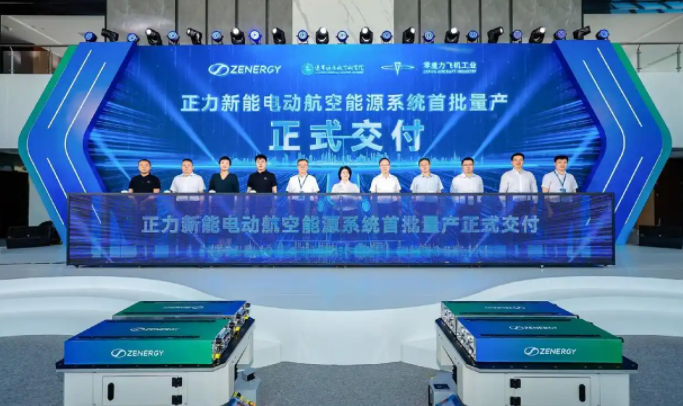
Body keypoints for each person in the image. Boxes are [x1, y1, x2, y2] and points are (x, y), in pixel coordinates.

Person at [498, 153, 538, 258]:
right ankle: (510, 255)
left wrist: (535, 204)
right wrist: (505, 206)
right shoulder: (506, 175)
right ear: (512, 162)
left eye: (520, 159)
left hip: (526, 205)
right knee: (510, 229)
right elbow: (502, 192)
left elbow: (534, 190)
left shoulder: (529, 175)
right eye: (515, 160)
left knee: (524, 229)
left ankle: (523, 255)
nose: (518, 162)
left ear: (523, 161)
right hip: (511, 205)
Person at [541, 155, 579, 258]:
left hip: (567, 206)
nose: (562, 164)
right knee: (552, 232)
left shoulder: (570, 177)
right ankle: (551, 255)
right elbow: (545, 195)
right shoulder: (548, 176)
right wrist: (549, 209)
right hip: (553, 206)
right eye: (559, 162)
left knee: (564, 232)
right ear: (555, 164)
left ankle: (563, 255)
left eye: (564, 162)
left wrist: (574, 207)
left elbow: (574, 193)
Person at [169, 158, 206, 256]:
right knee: (182, 230)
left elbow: (201, 194)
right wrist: (173, 208)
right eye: (184, 165)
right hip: (180, 205)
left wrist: (200, 207)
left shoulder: (198, 178)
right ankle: (183, 254)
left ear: (192, 167)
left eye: (188, 165)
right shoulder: (176, 178)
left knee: (194, 229)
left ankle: (196, 254)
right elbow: (173, 194)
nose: (186, 167)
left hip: (194, 205)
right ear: (181, 167)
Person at [127, 159, 160, 259]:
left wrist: (144, 203)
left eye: (146, 165)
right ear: (138, 167)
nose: (144, 167)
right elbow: (130, 194)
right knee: (138, 231)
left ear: (150, 167)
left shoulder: (155, 179)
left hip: (150, 208)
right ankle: (139, 253)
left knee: (150, 231)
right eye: (141, 165)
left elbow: (155, 194)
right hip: (136, 208)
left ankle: (150, 254)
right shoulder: (134, 179)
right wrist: (136, 204)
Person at [450, 157, 484, 250]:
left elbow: (481, 192)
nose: (468, 167)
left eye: (470, 164)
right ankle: (462, 247)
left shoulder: (478, 178)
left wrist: (477, 203)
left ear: (473, 166)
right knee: (462, 226)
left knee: (475, 226)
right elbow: (453, 194)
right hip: (461, 207)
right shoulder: (456, 179)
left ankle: (474, 247)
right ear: (462, 166)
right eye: (466, 165)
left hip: (475, 206)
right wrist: (458, 205)